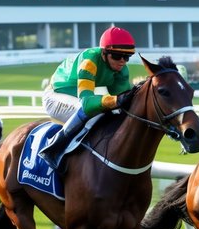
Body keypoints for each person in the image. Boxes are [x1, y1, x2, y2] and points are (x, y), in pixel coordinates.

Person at [37, 26, 137, 170]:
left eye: (126, 57)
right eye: (116, 56)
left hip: (75, 97)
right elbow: (86, 102)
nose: (122, 61)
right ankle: (53, 149)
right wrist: (114, 100)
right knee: (92, 114)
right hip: (55, 96)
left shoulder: (121, 70)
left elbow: (125, 103)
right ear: (104, 53)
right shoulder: (89, 62)